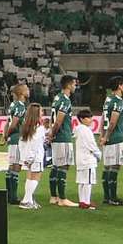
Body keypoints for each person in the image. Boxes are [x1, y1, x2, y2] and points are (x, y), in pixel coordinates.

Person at [46, 75, 78, 207]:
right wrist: (52, 134)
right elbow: (59, 120)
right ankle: (63, 198)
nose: (75, 87)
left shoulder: (57, 98)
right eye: (74, 84)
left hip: (57, 137)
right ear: (69, 85)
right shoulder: (65, 100)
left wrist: (51, 133)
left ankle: (54, 196)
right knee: (63, 166)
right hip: (62, 136)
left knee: (56, 165)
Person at [98, 76, 123, 206]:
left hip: (108, 139)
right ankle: (113, 197)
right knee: (115, 167)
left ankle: (107, 197)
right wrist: (107, 136)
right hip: (116, 138)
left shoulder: (108, 100)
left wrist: (102, 135)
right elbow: (113, 121)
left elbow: (102, 118)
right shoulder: (118, 101)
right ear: (120, 86)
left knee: (107, 167)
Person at [18, 103, 47, 209]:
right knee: (35, 178)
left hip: (28, 156)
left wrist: (24, 157)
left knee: (29, 177)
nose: (42, 113)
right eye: (41, 111)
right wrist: (30, 158)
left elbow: (21, 143)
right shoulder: (39, 128)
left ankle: (28, 200)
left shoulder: (26, 126)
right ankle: (26, 200)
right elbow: (34, 145)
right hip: (35, 157)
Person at [1, 85, 27, 203]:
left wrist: (5, 136)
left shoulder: (12, 104)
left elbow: (7, 122)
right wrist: (7, 135)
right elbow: (14, 123)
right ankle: (13, 197)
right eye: (26, 89)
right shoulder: (20, 106)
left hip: (12, 139)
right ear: (21, 93)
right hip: (17, 139)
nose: (28, 91)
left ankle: (9, 195)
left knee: (11, 167)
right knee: (16, 167)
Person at [74, 109, 101, 210]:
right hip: (88, 159)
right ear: (82, 119)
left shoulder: (78, 129)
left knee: (81, 181)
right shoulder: (86, 130)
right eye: (88, 118)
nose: (90, 120)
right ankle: (86, 201)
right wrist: (98, 154)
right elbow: (92, 145)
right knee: (88, 181)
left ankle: (82, 201)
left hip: (80, 159)